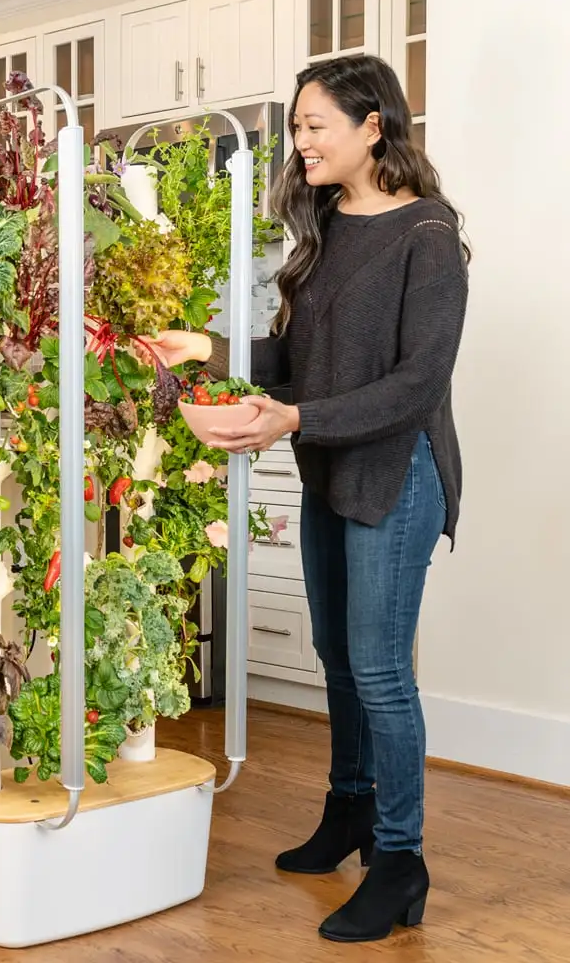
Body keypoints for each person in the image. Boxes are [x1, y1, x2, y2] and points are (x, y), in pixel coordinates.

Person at [150, 55, 468, 944]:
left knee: (379, 671)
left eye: (312, 124)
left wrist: (291, 419)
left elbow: (416, 385)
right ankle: (351, 813)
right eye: (296, 127)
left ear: (374, 126)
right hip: (332, 461)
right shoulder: (325, 226)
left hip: (398, 474)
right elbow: (296, 359)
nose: (300, 142)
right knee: (338, 654)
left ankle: (401, 863)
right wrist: (207, 347)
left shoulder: (428, 236)